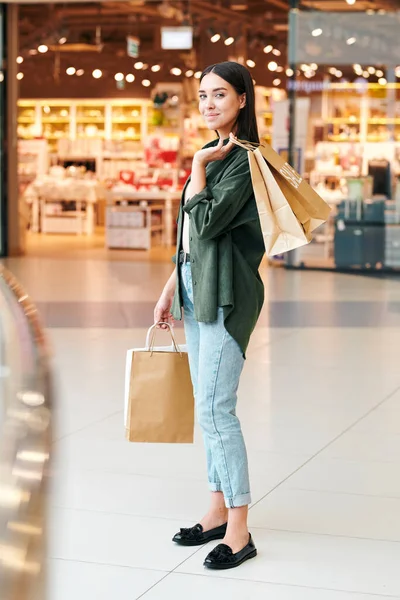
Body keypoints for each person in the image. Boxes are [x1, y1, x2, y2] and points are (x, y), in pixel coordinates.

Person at [154, 61, 265, 570]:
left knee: (218, 411)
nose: (208, 104)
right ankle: (217, 509)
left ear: (243, 99)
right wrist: (171, 284)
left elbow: (210, 218)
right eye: (202, 96)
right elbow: (192, 237)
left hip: (226, 295)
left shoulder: (244, 159)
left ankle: (239, 530)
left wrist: (198, 169)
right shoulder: (217, 153)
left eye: (219, 95)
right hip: (196, 289)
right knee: (207, 408)